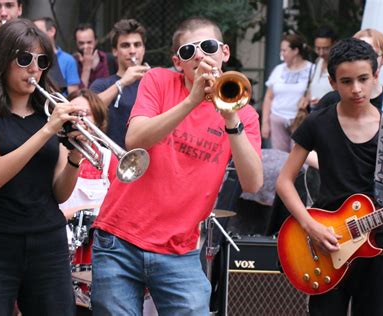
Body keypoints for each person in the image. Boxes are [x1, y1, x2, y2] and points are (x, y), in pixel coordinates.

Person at [90, 16, 263, 315]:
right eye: (188, 51)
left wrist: (231, 119)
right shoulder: (158, 80)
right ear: (177, 62)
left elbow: (253, 183)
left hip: (179, 250)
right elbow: (135, 139)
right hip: (121, 238)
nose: (199, 56)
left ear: (224, 52)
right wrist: (192, 101)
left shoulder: (243, 112)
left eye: (207, 47)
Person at [276, 38, 383, 316]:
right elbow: (284, 181)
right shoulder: (317, 123)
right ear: (332, 82)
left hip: (379, 247)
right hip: (326, 244)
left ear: (376, 75)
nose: (356, 89)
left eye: (363, 79)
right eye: (346, 81)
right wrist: (310, 226)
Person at [0, 19, 87, 315]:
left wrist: (75, 157)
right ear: (4, 60)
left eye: (42, 61)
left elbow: (61, 194)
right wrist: (46, 131)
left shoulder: (49, 113)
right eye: (25, 59)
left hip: (47, 240)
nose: (34, 69)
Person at [90, 19, 150, 149]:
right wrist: (122, 82)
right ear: (115, 51)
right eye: (125, 45)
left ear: (144, 49)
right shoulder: (102, 84)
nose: (132, 51)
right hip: (113, 159)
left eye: (137, 45)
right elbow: (89, 110)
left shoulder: (154, 84)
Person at [59, 88, 116, 220]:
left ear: (98, 121)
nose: (79, 119)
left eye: (86, 114)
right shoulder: (52, 152)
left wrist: (76, 212)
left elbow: (117, 204)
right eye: (73, 113)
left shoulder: (108, 159)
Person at [261, 34, 313, 152]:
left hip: (299, 120)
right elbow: (268, 97)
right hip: (277, 118)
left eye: (284, 50)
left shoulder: (312, 69)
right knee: (279, 157)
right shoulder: (278, 69)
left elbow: (314, 93)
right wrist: (265, 123)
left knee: (300, 158)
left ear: (295, 51)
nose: (282, 53)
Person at [34, 17, 81, 95]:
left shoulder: (68, 60)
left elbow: (73, 95)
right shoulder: (32, 58)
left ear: (52, 31)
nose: (34, 36)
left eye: (38, 32)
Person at [73, 23, 116, 89]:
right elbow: (77, 94)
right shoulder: (72, 63)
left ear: (95, 41)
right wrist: (86, 68)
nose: (86, 47)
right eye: (81, 43)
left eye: (89, 42)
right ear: (76, 43)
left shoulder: (109, 60)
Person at [308, 26, 336, 109]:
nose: (321, 53)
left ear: (334, 44)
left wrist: (324, 101)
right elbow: (311, 88)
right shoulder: (317, 62)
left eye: (325, 48)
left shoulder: (339, 65)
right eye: (318, 48)